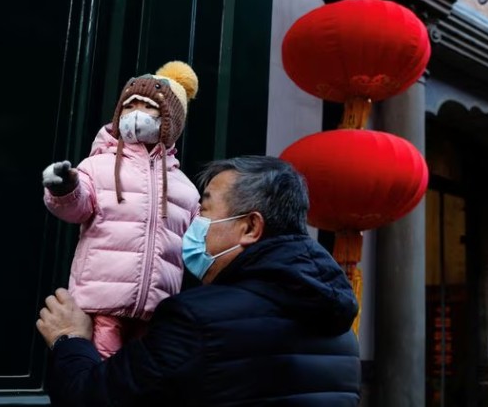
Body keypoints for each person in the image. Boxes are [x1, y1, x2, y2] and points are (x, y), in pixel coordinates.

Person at [36, 156, 361, 406]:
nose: (193, 225)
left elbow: (93, 398)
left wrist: (71, 340)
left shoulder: (196, 319)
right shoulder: (341, 332)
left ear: (250, 228)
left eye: (204, 211)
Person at [41, 61, 201, 359]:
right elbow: (77, 206)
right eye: (130, 106)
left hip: (157, 307)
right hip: (101, 303)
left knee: (144, 377)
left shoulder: (184, 187)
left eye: (148, 106)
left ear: (171, 121)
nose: (136, 113)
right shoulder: (97, 166)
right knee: (102, 371)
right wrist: (64, 187)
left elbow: (198, 245)